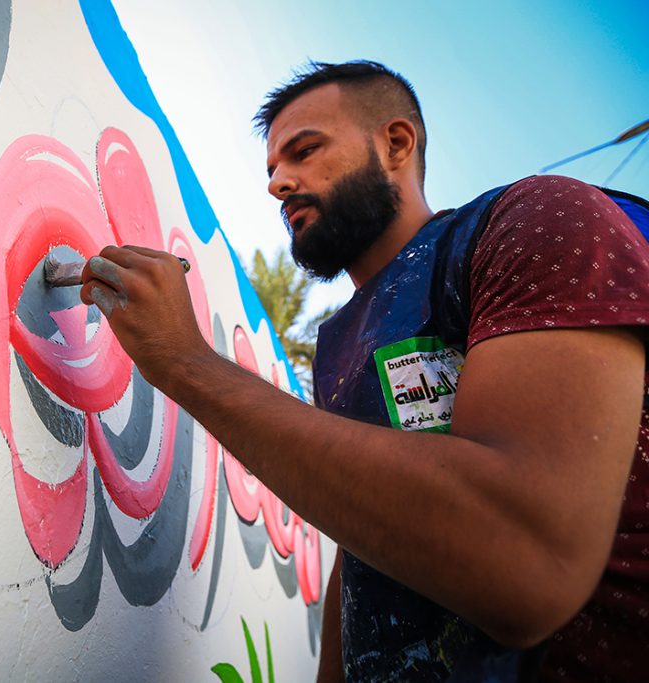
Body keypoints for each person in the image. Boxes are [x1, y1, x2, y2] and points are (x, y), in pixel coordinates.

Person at [79, 60, 649, 681]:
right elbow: (366, 543)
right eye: (272, 169)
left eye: (304, 150)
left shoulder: (537, 219)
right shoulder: (339, 344)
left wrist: (186, 362)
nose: (278, 184)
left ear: (396, 143)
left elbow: (528, 563)